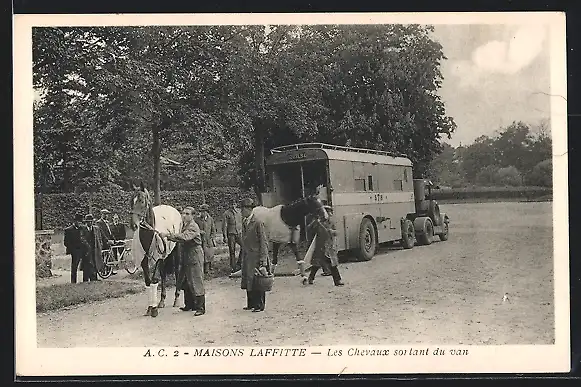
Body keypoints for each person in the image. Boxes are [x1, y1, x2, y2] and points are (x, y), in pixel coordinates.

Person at [163, 206, 206, 316]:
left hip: (194, 254)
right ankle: (190, 304)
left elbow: (184, 237)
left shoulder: (193, 226)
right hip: (187, 254)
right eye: (183, 213)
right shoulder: (184, 225)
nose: (184, 215)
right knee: (186, 280)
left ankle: (200, 307)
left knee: (196, 279)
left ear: (193, 216)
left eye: (187, 214)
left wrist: (168, 236)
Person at [239, 198, 272, 312]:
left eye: (243, 208)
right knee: (249, 280)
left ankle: (260, 305)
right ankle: (251, 303)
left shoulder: (258, 222)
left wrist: (263, 260)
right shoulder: (244, 222)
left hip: (257, 256)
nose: (242, 211)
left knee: (258, 281)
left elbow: (264, 242)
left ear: (249, 209)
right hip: (248, 257)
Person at [307, 205, 344, 286]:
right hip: (320, 246)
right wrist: (315, 223)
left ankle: (337, 281)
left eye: (330, 212)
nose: (330, 214)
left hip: (329, 246)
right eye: (328, 212)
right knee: (317, 264)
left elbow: (337, 232)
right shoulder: (318, 222)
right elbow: (309, 230)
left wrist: (331, 231)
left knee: (332, 264)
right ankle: (311, 278)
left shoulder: (331, 223)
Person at [63, 213, 87, 283]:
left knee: (85, 265)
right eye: (78, 222)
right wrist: (73, 249)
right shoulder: (68, 230)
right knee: (74, 266)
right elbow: (66, 242)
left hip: (83, 250)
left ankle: (85, 280)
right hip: (75, 251)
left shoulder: (83, 228)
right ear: (75, 222)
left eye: (80, 222)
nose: (79, 223)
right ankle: (73, 281)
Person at [82, 214, 106, 281]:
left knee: (95, 263)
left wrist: (100, 246)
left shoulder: (96, 229)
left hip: (95, 249)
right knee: (87, 264)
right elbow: (82, 238)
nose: (89, 223)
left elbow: (99, 238)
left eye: (90, 221)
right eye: (88, 222)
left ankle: (94, 278)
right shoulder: (83, 229)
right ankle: (86, 280)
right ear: (86, 222)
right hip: (86, 250)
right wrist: (87, 246)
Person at [222, 199, 243, 273]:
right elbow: (224, 225)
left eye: (234, 204)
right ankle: (233, 267)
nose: (233, 206)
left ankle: (239, 263)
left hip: (239, 233)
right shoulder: (226, 213)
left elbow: (243, 221)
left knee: (244, 246)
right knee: (232, 250)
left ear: (236, 204)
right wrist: (224, 236)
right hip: (231, 234)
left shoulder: (239, 212)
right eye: (231, 204)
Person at [197, 204, 217, 275]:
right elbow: (194, 229)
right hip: (201, 240)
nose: (202, 213)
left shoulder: (210, 219)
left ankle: (208, 269)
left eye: (204, 212)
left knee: (209, 254)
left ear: (207, 212)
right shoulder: (197, 220)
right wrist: (199, 231)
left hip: (208, 240)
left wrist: (212, 237)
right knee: (202, 255)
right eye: (201, 212)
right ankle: (202, 270)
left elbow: (213, 230)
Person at [97, 209, 116, 274]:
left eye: (107, 214)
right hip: (103, 241)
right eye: (105, 214)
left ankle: (110, 270)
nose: (106, 216)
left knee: (109, 255)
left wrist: (114, 239)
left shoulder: (107, 222)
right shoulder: (99, 222)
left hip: (109, 240)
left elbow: (110, 232)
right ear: (102, 215)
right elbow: (102, 232)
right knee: (104, 256)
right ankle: (103, 271)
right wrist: (107, 240)